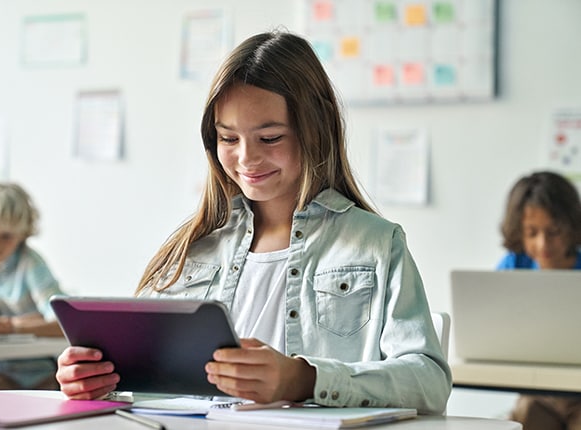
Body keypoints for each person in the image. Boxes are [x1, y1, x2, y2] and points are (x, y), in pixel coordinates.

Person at [56, 30, 452, 414]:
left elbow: (428, 380)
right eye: (229, 139)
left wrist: (305, 379)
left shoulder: (376, 245)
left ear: (314, 129)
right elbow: (142, 389)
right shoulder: (193, 250)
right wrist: (99, 382)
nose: (246, 158)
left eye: (270, 138)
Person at [0, 181, 66, 390]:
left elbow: (62, 322)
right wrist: (30, 322)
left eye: (6, 236)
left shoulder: (30, 262)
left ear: (22, 235)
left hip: (42, 372)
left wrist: (9, 326)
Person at [497, 170, 581, 430]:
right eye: (531, 232)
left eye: (553, 231)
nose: (543, 243)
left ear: (570, 227)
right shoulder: (513, 266)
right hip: (536, 392)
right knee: (526, 413)